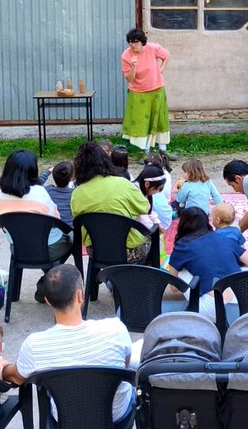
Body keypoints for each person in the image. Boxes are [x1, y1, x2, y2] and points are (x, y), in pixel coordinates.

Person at [0, 265, 134, 424]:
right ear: (80, 296)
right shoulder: (115, 329)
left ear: (48, 301)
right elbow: (124, 367)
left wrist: (2, 366)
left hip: (65, 418)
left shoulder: (34, 345)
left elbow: (17, 376)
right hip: (115, 414)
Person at [70, 142, 154, 264]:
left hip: (97, 251)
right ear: (106, 161)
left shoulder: (76, 194)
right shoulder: (122, 184)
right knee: (152, 234)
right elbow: (145, 208)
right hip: (130, 251)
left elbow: (78, 220)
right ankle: (146, 278)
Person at [166, 207, 248, 320]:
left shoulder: (182, 246)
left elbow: (174, 288)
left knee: (180, 269)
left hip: (211, 308)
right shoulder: (222, 237)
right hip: (241, 301)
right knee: (242, 270)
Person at [0, 149, 71, 261]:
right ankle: (52, 274)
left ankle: (44, 274)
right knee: (72, 237)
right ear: (33, 170)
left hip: (18, 248)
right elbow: (56, 220)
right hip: (49, 248)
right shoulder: (40, 193)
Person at [120, 28, 176, 162]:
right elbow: (129, 78)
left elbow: (166, 55)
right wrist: (133, 66)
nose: (133, 45)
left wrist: (160, 70)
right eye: (130, 42)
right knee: (142, 121)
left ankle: (163, 150)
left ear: (142, 42)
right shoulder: (126, 56)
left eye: (136, 42)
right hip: (138, 93)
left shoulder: (152, 48)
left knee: (160, 119)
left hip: (157, 89)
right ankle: (145, 152)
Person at [41, 161, 75, 225]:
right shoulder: (75, 193)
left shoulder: (48, 190)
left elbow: (38, 182)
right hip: (70, 228)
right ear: (71, 178)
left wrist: (48, 171)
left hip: (55, 227)